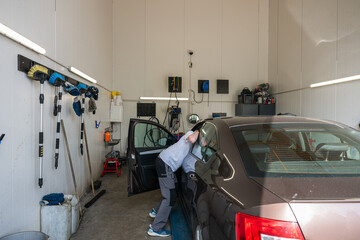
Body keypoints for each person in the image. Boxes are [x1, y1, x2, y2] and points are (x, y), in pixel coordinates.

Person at [147, 130, 199, 237]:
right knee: (170, 197)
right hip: (165, 163)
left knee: (173, 190)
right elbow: (193, 138)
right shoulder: (190, 134)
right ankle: (155, 228)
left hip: (166, 164)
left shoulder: (191, 148)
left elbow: (202, 145)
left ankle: (156, 211)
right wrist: (199, 130)